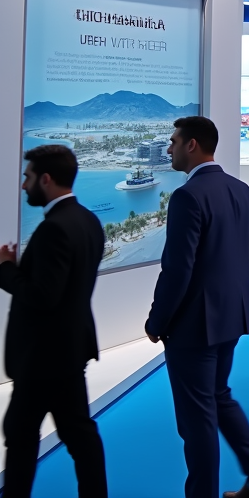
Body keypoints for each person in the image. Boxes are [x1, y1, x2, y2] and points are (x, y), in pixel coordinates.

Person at [145, 116, 249, 498]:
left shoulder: (188, 196)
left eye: (173, 141)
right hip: (231, 316)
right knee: (218, 396)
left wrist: (158, 320)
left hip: (193, 325)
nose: (168, 148)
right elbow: (248, 257)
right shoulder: (239, 189)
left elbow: (177, 268)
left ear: (192, 145)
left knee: (196, 419)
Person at [0, 145, 107, 498]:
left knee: (20, 435)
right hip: (69, 350)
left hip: (43, 356)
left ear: (46, 179)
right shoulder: (88, 220)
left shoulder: (53, 229)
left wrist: (6, 270)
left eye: (27, 177)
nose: (23, 185)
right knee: (78, 434)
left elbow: (43, 295)